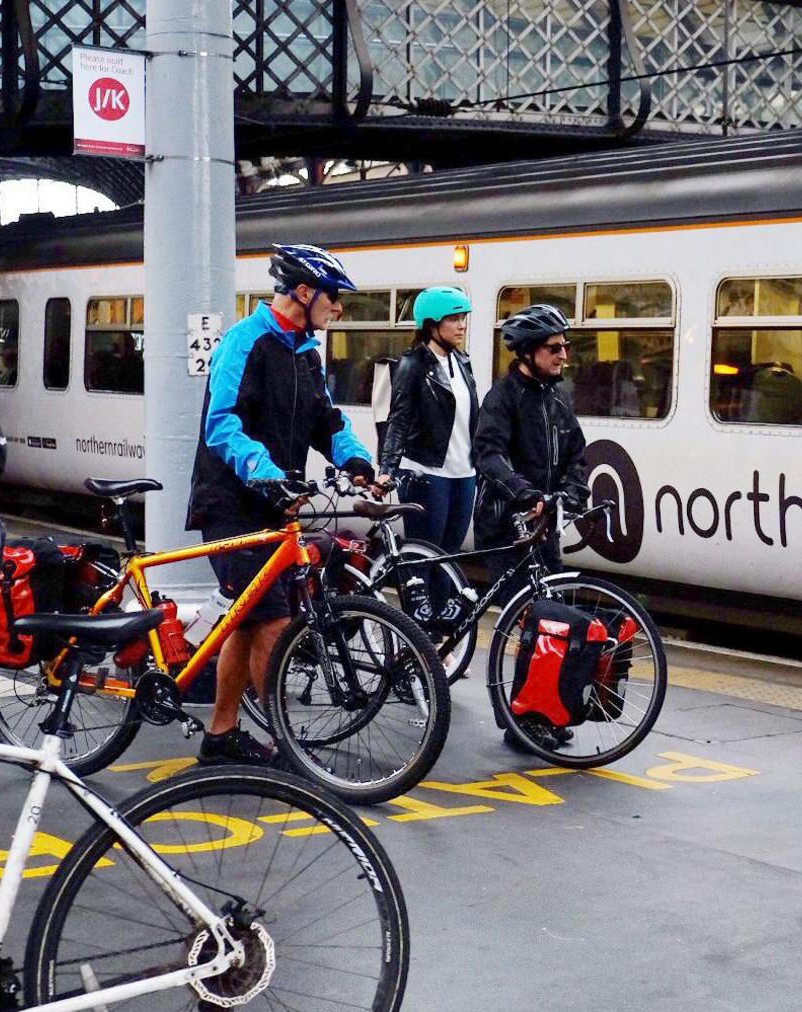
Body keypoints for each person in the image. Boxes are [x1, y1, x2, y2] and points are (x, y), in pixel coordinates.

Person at [185, 242, 385, 765]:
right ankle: (287, 744)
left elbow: (326, 421)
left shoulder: (304, 352)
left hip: (275, 504)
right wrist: (268, 475)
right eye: (334, 298)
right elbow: (222, 424)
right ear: (303, 292)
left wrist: (358, 463)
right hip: (231, 501)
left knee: (249, 620)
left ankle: (221, 734)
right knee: (272, 623)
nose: (338, 308)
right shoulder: (243, 342)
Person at [378, 287, 478, 619]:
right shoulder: (413, 364)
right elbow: (399, 419)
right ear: (432, 324)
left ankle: (438, 637)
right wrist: (387, 468)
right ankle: (420, 634)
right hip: (426, 474)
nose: (461, 325)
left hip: (463, 475)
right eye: (453, 318)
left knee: (449, 559)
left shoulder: (463, 361)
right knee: (424, 558)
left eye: (463, 317)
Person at [472, 304, 589, 576]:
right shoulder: (502, 397)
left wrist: (571, 493)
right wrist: (526, 495)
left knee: (550, 608)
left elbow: (576, 454)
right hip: (506, 524)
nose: (563, 355)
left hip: (543, 524)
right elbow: (489, 455)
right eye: (554, 348)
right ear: (528, 351)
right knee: (522, 610)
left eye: (565, 346)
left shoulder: (558, 397)